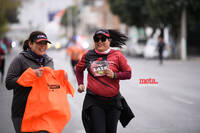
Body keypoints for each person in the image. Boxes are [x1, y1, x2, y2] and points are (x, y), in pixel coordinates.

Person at [5, 31, 74, 133]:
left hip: (44, 113)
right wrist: (31, 75)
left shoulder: (48, 60)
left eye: (45, 43)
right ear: (30, 44)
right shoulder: (19, 59)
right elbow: (9, 83)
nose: (42, 46)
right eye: (39, 43)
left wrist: (61, 79)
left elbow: (50, 84)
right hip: (22, 112)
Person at [75, 29, 132, 133]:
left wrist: (114, 75)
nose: (100, 41)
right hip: (95, 101)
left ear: (109, 40)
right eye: (97, 39)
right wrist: (80, 84)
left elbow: (128, 74)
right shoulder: (88, 55)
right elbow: (78, 69)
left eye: (103, 39)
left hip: (113, 102)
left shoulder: (117, 55)